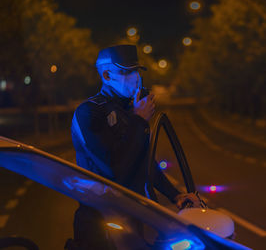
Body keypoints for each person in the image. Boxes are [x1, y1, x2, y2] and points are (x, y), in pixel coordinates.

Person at [66, 45, 200, 250]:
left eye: (136, 71)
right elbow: (112, 167)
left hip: (133, 220)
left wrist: (175, 195)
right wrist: (138, 121)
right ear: (106, 75)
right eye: (126, 71)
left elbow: (142, 161)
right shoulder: (89, 113)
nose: (135, 77)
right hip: (99, 225)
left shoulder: (130, 109)